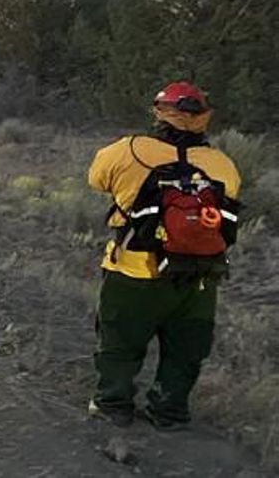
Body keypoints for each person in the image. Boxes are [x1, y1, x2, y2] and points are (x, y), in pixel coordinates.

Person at [87, 81, 242, 430]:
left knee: (119, 341)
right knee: (186, 349)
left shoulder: (128, 150)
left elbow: (96, 180)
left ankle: (113, 404)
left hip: (134, 271)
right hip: (199, 275)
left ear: (159, 113)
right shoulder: (223, 164)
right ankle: (169, 412)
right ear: (203, 118)